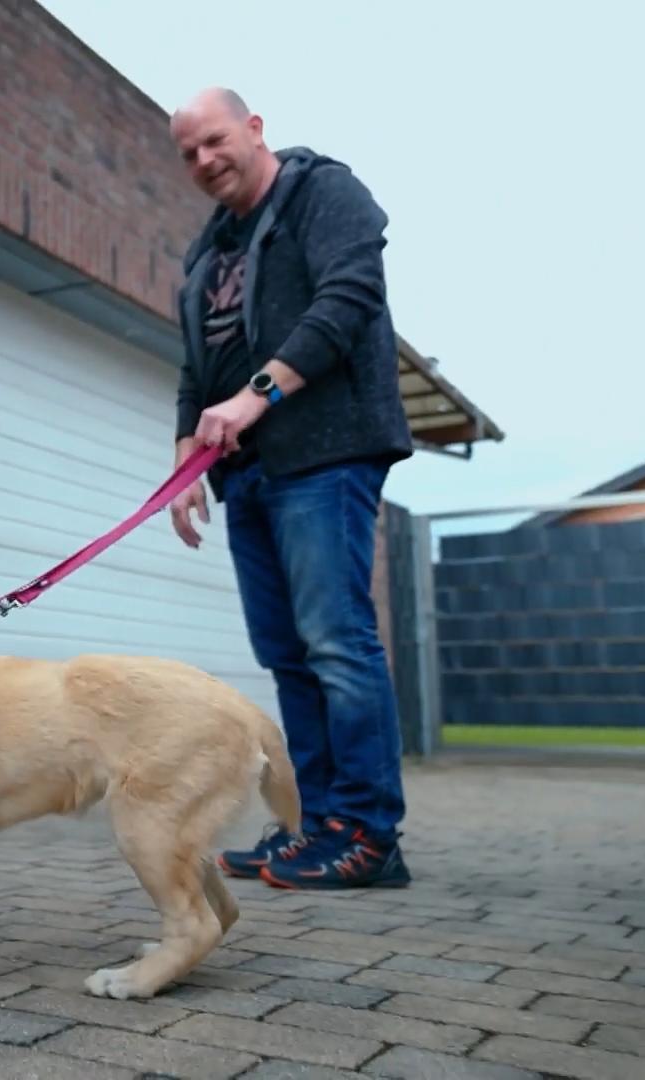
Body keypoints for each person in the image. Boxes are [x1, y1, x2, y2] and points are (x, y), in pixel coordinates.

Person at [165, 88, 414, 890]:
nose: (205, 161)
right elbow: (195, 366)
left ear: (254, 128)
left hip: (326, 455)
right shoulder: (209, 249)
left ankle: (368, 836)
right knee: (288, 656)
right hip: (251, 475)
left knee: (338, 644)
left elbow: (347, 303)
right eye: (189, 153)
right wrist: (185, 463)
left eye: (215, 140)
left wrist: (255, 397)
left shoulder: (322, 193)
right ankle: (313, 825)